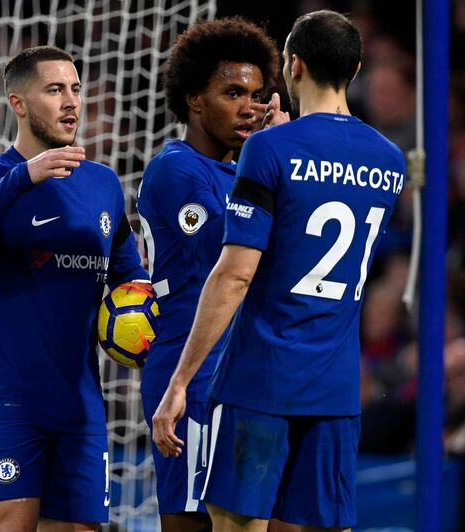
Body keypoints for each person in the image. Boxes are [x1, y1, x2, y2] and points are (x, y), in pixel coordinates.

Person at [152, 11, 405, 531]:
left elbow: (236, 274)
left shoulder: (269, 149)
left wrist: (180, 380)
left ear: (293, 66)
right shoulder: (390, 159)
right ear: (355, 69)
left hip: (259, 378)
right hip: (336, 388)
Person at [0, 46, 148, 532]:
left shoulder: (102, 185)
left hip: (79, 402)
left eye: (75, 89)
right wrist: (24, 177)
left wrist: (143, 315)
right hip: (8, 398)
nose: (70, 102)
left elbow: (130, 277)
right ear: (18, 102)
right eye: (55, 90)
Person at [136, 17, 281, 532]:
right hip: (191, 375)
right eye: (233, 92)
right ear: (195, 100)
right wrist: (276, 158)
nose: (250, 106)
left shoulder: (250, 171)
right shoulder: (175, 169)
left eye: (259, 94)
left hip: (248, 374)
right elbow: (229, 242)